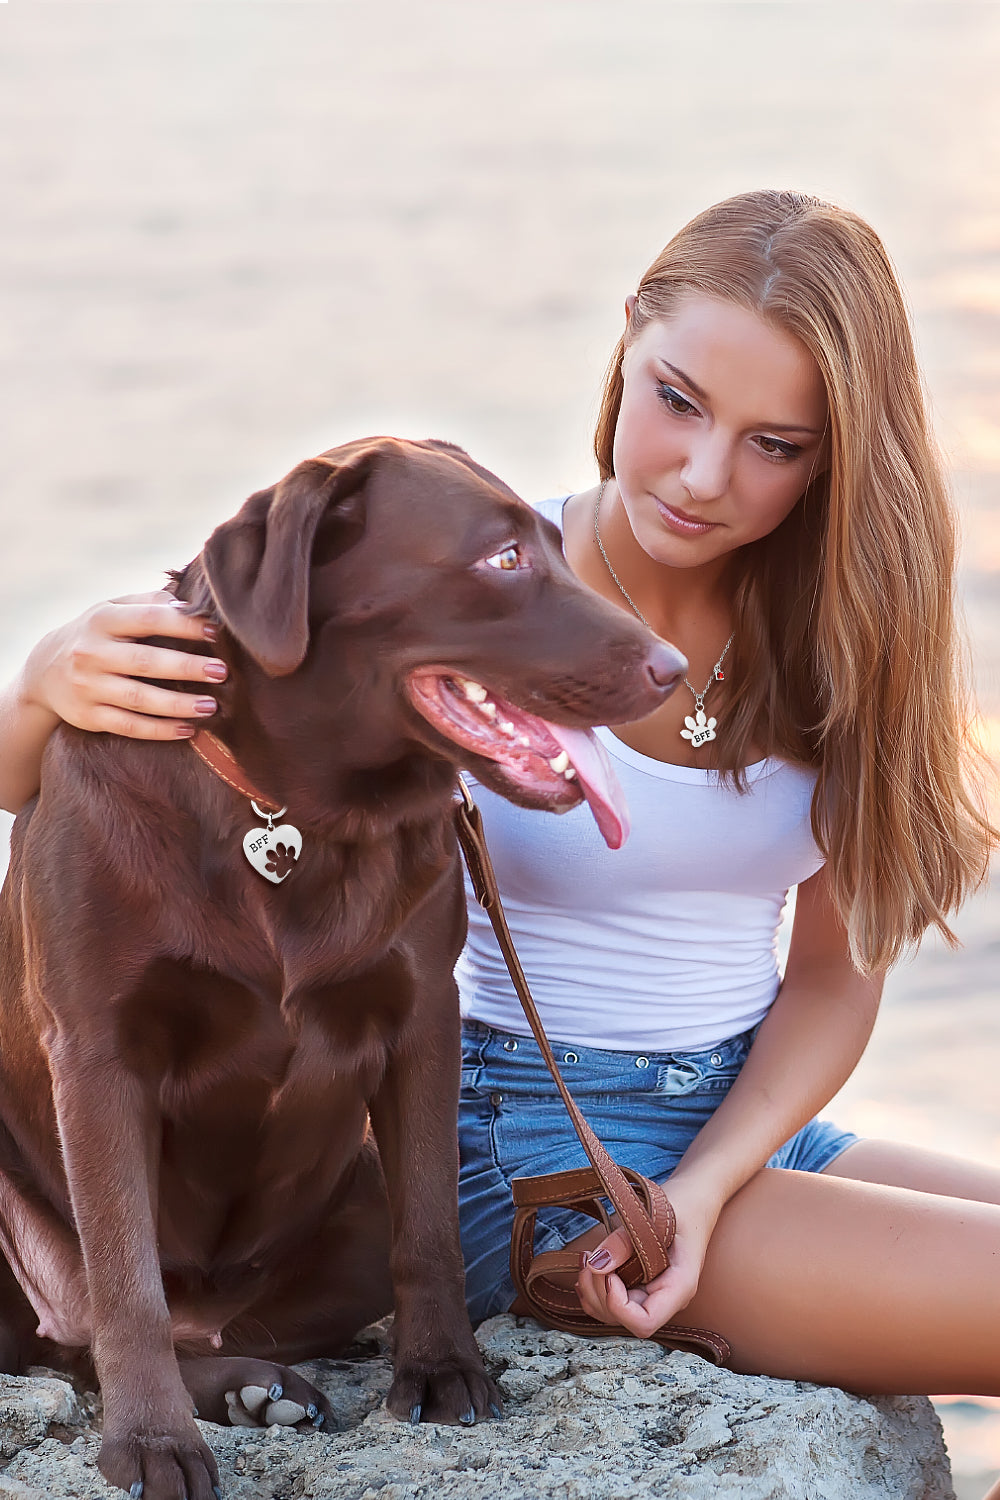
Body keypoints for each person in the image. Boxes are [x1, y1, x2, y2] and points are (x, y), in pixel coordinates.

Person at [3, 191, 1000, 1428]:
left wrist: (704, 1186)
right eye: (676, 399)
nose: (702, 475)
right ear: (626, 342)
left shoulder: (841, 642)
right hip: (527, 1151)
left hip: (745, 1130)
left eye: (775, 444)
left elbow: (834, 983)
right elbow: (126, 790)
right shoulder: (464, 582)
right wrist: (39, 684)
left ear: (838, 451)